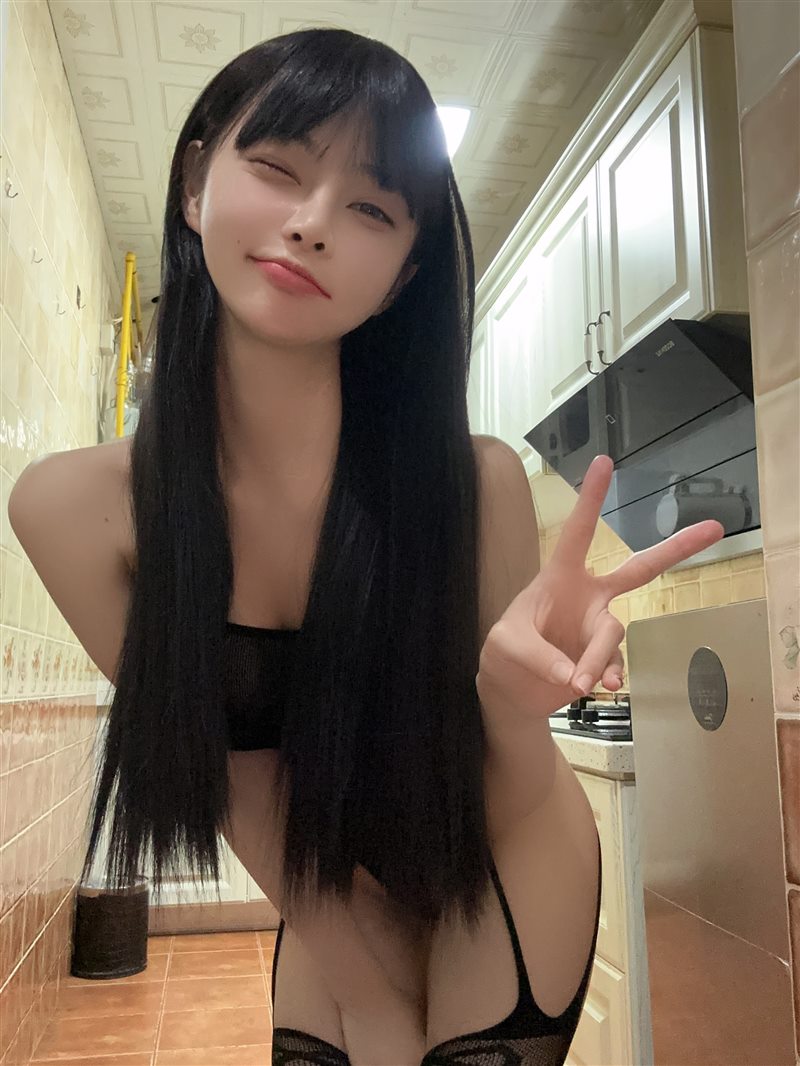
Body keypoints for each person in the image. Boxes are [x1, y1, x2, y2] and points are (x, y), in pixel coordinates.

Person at [7, 27, 724, 1066]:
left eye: (372, 209)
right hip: (324, 874)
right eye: (277, 168)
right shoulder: (72, 509)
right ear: (194, 184)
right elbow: (234, 776)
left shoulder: (474, 483)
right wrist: (367, 982)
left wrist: (515, 705)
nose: (311, 224)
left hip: (503, 849)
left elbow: (502, 784)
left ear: (401, 273)